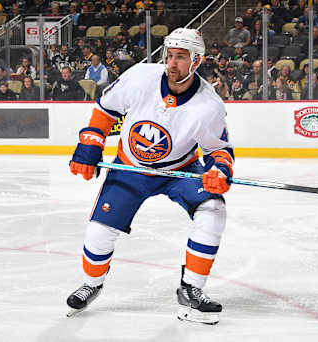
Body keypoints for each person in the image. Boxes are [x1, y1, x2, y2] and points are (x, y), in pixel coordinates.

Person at [66, 28, 233, 325]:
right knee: (98, 233)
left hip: (179, 170)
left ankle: (191, 287)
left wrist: (219, 170)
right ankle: (92, 284)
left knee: (214, 209)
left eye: (180, 57)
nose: (172, 63)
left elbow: (219, 150)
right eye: (169, 55)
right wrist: (89, 143)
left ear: (197, 61)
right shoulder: (141, 76)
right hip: (131, 167)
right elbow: (106, 109)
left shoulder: (209, 105)